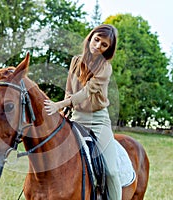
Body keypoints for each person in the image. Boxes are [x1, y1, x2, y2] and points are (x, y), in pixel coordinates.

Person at [44, 24, 121, 199]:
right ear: (90, 38)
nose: (98, 46)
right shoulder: (75, 61)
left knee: (111, 171)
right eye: (97, 40)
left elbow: (86, 92)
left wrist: (58, 104)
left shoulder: (105, 68)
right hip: (76, 117)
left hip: (98, 120)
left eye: (104, 45)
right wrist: (63, 110)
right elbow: (69, 90)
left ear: (108, 50)